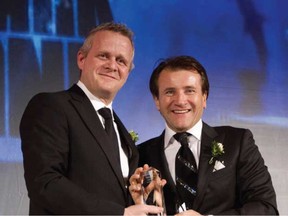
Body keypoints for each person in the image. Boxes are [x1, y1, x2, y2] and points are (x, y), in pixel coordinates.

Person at [20, 22, 163, 215]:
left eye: (121, 61)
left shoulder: (120, 131)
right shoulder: (51, 106)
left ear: (128, 72)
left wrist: (135, 197)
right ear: (81, 59)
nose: (112, 65)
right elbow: (46, 183)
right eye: (103, 55)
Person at [130, 55, 278, 215]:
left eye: (190, 91)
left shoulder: (238, 142)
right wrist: (139, 205)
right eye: (170, 92)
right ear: (157, 100)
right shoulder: (140, 155)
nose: (180, 100)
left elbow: (266, 209)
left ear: (204, 97)